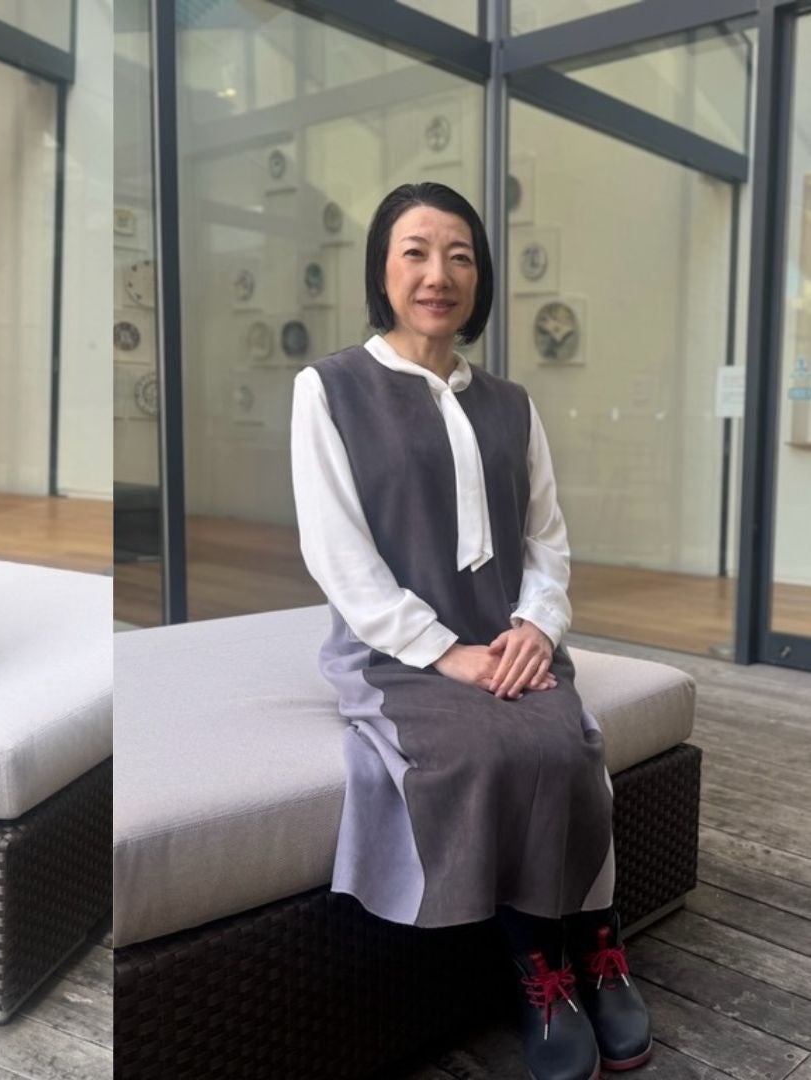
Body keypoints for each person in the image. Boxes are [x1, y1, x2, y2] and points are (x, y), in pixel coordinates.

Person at [290, 182, 650, 1080]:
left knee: (568, 745)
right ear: (382, 269)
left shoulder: (512, 402)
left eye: (459, 255)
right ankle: (539, 973)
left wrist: (536, 626)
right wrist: (443, 651)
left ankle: (597, 944)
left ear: (479, 276)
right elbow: (337, 552)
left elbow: (547, 538)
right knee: (487, 751)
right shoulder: (328, 389)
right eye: (415, 252)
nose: (437, 274)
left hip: (508, 636)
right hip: (396, 653)